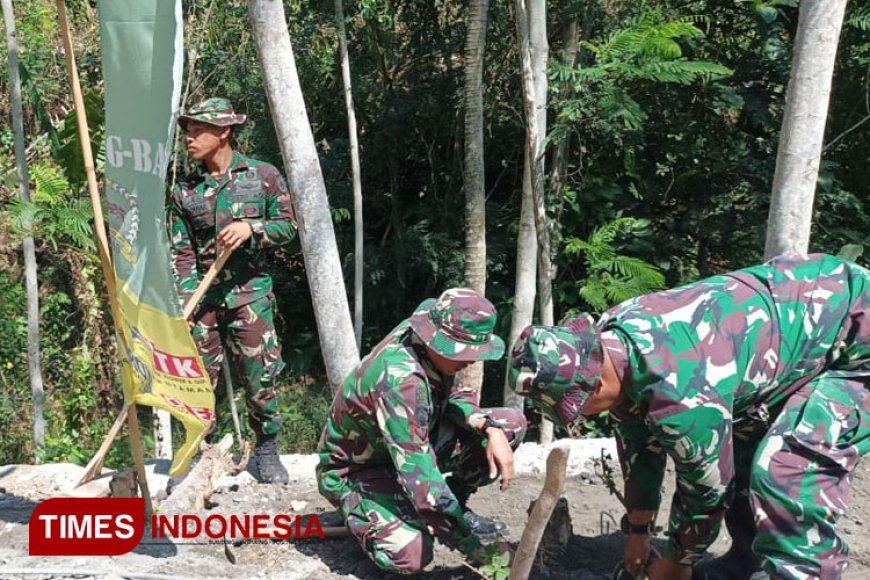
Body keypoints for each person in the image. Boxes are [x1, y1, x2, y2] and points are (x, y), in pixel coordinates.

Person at [507, 253, 870, 580]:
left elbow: (707, 493)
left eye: (577, 408)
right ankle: (749, 564)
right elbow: (638, 445)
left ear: (596, 385)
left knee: (785, 466)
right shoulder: (612, 347)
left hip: (857, 339)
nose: (579, 417)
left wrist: (679, 561)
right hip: (807, 329)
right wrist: (638, 531)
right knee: (745, 441)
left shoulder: (682, 394)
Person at [317, 288, 527, 574]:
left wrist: (489, 428)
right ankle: (364, 512)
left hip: (409, 446)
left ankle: (454, 502)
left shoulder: (426, 337)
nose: (472, 361)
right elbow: (421, 478)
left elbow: (456, 395)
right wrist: (481, 552)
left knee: (510, 425)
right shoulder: (400, 380)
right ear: (439, 342)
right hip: (359, 469)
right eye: (466, 353)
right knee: (410, 554)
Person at [169, 97, 297, 484]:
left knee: (259, 379)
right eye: (188, 131)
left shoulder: (262, 176)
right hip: (202, 302)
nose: (189, 139)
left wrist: (251, 229)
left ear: (224, 131)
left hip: (250, 297)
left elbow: (288, 227)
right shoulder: (184, 191)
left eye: (197, 131)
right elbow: (181, 250)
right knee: (193, 383)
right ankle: (197, 454)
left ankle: (266, 452)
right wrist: (185, 299)